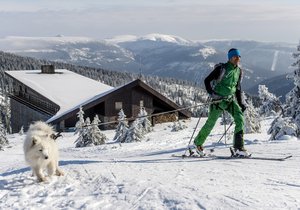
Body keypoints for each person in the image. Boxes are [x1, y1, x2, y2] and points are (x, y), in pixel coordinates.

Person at [194, 48, 249, 157]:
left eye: (239, 57)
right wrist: (211, 94)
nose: (237, 59)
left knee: (240, 119)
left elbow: (237, 89)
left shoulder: (239, 71)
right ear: (230, 58)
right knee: (210, 123)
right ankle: (198, 143)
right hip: (218, 101)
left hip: (229, 100)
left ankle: (238, 147)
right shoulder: (221, 68)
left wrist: (241, 103)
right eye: (235, 56)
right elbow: (207, 80)